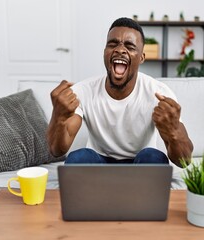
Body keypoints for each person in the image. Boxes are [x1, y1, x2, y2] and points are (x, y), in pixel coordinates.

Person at [47, 17, 193, 167]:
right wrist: (58, 117)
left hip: (140, 163)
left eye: (130, 46)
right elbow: (57, 150)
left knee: (153, 157)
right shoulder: (83, 91)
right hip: (99, 161)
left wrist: (174, 131)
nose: (120, 49)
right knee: (78, 158)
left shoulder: (159, 93)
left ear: (142, 57)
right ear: (105, 53)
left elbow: (184, 161)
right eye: (112, 44)